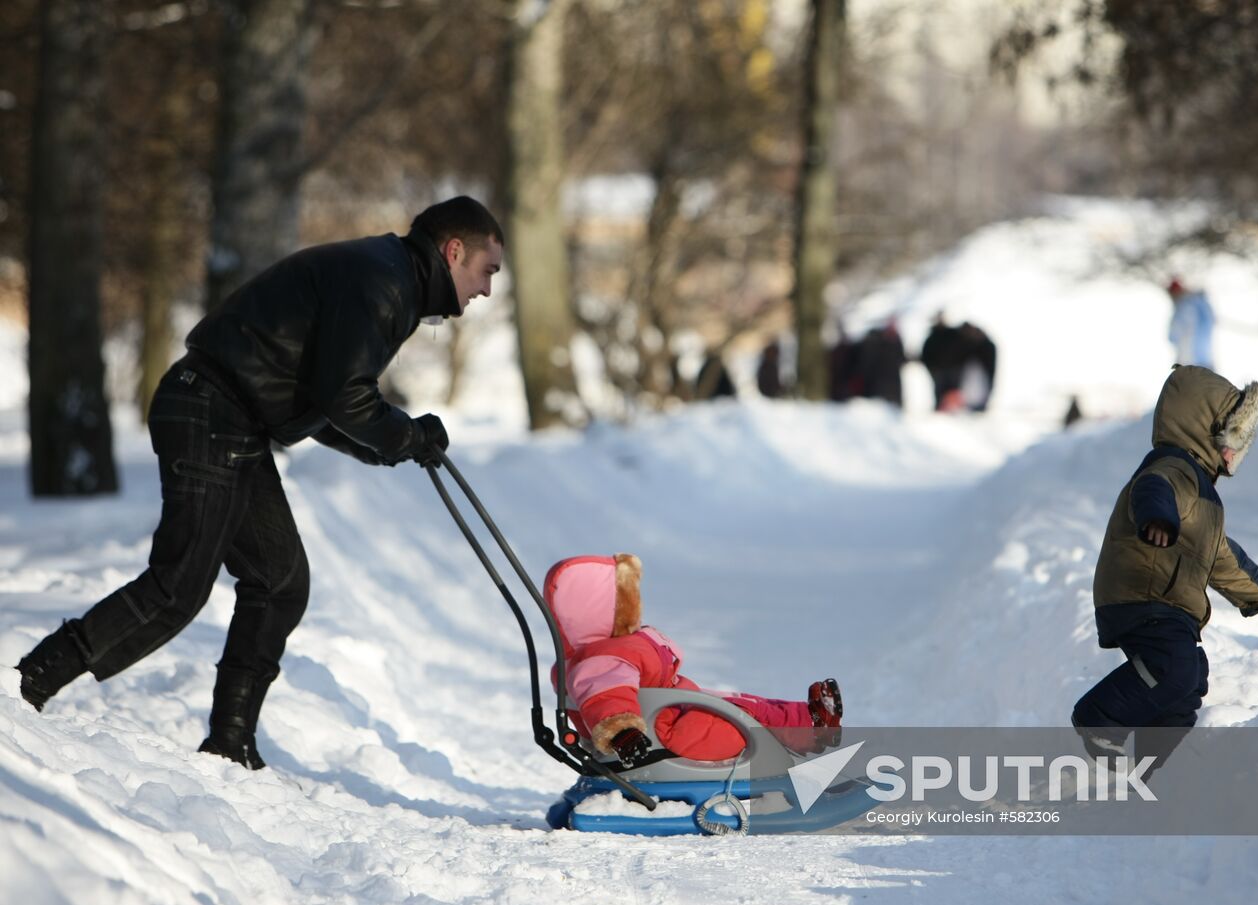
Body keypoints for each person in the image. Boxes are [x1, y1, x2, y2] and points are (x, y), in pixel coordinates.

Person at [15, 196, 505, 770]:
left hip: (229, 417)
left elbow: (324, 391)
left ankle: (230, 743)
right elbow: (345, 395)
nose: (487, 289)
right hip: (210, 408)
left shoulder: (389, 273)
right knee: (178, 585)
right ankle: (29, 681)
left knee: (278, 581)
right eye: (486, 270)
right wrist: (404, 436)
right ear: (453, 251)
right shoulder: (385, 282)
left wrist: (387, 447)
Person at [1072, 365, 1258, 774]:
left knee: (1187, 685)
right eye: (1232, 437)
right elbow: (1152, 492)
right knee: (1175, 667)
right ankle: (1098, 717)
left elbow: (1218, 553)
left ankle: (1157, 772)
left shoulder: (1203, 494)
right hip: (1144, 594)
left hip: (1168, 604)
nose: (1235, 451)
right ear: (1206, 429)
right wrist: (1159, 519)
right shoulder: (1172, 469)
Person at [543, 554, 843, 765]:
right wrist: (624, 734)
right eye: (627, 602)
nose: (635, 609)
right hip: (666, 733)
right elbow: (607, 696)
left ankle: (810, 720)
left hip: (671, 711)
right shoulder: (602, 659)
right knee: (742, 719)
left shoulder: (606, 649)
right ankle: (803, 733)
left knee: (740, 701)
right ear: (598, 612)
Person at [1166, 278, 1216, 369]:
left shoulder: (1184, 307)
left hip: (1190, 362)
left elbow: (1174, 334)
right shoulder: (1200, 303)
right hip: (1206, 360)